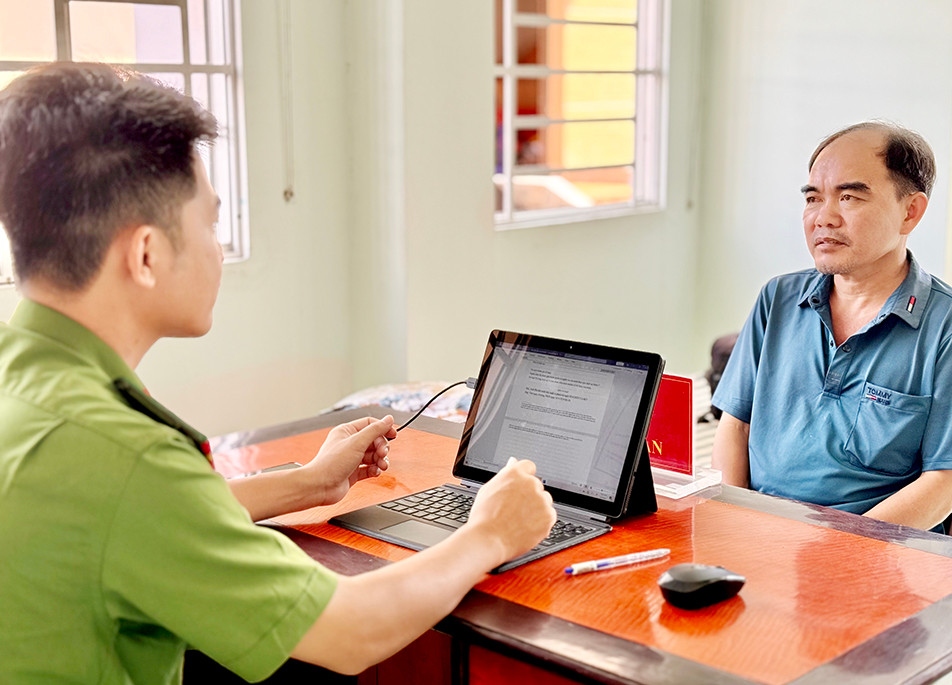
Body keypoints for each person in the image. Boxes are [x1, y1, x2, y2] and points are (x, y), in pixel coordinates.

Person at [0, 62, 556, 682]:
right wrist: (490, 534)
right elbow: (349, 632)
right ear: (147, 253)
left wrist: (308, 482)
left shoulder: (25, 381)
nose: (216, 248)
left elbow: (132, 518)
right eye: (209, 223)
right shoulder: (122, 455)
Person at [711, 121, 952, 532]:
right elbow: (734, 429)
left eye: (848, 197)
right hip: (757, 541)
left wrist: (834, 555)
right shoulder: (777, 298)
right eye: (813, 198)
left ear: (910, 211)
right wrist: (734, 530)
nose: (823, 218)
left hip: (875, 561)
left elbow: (947, 487)